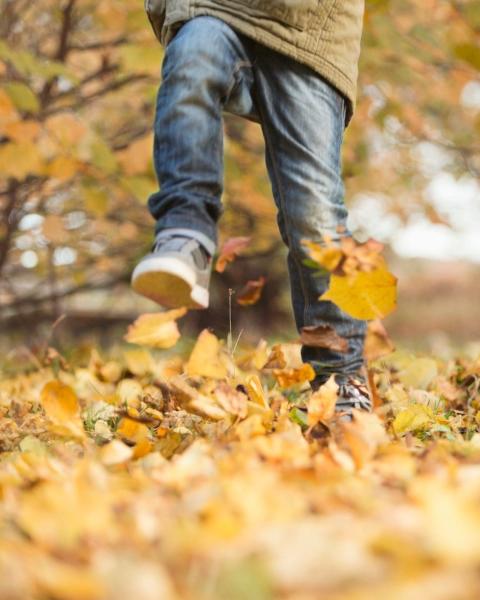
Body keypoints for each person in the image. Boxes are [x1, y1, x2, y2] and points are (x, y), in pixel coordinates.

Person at [130, 1, 372, 413]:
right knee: (193, 59)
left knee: (313, 216)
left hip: (311, 33)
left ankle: (341, 379)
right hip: (215, 7)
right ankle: (185, 233)